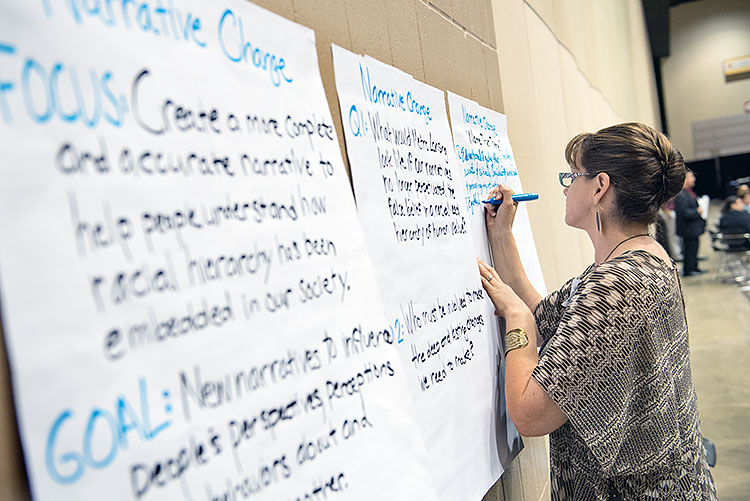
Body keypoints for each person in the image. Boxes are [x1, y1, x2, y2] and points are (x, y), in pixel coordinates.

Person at [477, 122, 717, 500]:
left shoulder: (615, 286)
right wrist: (501, 237)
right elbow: (547, 317)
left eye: (572, 176)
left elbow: (529, 412)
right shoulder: (645, 260)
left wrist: (517, 322)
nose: (566, 186)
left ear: (600, 187)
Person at [674, 170, 705, 276]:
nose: (693, 179)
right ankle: (689, 269)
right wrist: (697, 211)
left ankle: (694, 267)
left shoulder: (688, 193)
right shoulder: (681, 195)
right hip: (687, 229)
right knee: (689, 250)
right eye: (691, 177)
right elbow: (684, 212)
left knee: (694, 249)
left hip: (692, 228)